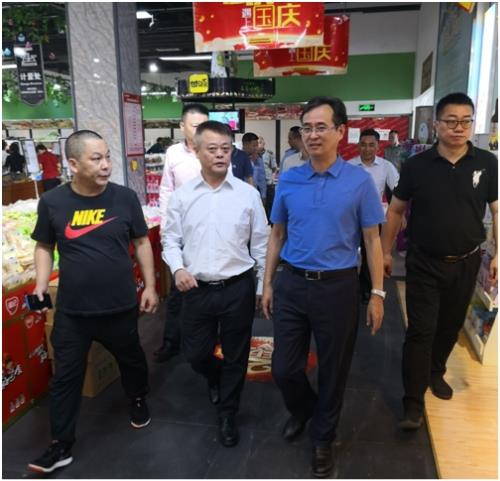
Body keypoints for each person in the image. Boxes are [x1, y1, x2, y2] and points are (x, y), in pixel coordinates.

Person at [262, 96, 385, 478]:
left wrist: (377, 293)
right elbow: (276, 234)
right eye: (307, 128)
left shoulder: (358, 182)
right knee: (284, 368)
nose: (312, 135)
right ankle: (304, 409)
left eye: (321, 127)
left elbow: (372, 240)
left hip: (338, 288)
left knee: (333, 369)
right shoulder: (289, 178)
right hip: (292, 284)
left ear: (340, 131)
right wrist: (267, 283)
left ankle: (322, 438)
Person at [28, 130, 159, 474]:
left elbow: (142, 242)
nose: (106, 165)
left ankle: (138, 398)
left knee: (131, 360)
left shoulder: (125, 198)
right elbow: (44, 246)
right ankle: (61, 444)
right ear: (73, 164)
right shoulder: (53, 202)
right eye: (96, 158)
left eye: (107, 157)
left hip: (119, 305)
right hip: (72, 310)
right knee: (65, 377)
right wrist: (41, 283)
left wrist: (150, 285)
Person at [381, 92, 498, 430]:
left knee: (450, 325)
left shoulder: (487, 162)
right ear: (436, 124)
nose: (459, 127)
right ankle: (412, 402)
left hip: (467, 261)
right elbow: (396, 210)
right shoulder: (417, 165)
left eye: (466, 121)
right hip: (424, 262)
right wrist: (385, 251)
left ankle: (436, 371)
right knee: (421, 330)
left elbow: (496, 210)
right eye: (451, 121)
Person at [163, 120, 268, 448]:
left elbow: (261, 244)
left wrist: (263, 286)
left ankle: (227, 413)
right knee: (195, 353)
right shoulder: (182, 196)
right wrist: (177, 268)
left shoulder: (248, 195)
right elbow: (170, 239)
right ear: (196, 151)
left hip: (238, 287)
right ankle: (215, 375)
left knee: (237, 355)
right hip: (196, 288)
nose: (220, 155)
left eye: (226, 148)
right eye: (212, 149)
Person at [156, 103, 209, 363]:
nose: (201, 130)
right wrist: (165, 225)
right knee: (179, 289)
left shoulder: (214, 150)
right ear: (182, 127)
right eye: (195, 125)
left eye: (204, 125)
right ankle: (171, 342)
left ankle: (209, 340)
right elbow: (166, 190)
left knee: (210, 285)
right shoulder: (173, 153)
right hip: (181, 232)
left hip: (210, 231)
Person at [348, 128, 400, 302]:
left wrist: (399, 214)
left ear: (378, 146)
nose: (367, 149)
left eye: (371, 145)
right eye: (363, 144)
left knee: (369, 253)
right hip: (349, 218)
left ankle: (366, 289)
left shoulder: (386, 166)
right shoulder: (349, 166)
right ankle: (349, 287)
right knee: (348, 253)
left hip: (372, 219)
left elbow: (398, 192)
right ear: (358, 146)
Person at [242, 132, 266, 201]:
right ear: (245, 144)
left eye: (257, 145)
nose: (256, 148)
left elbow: (262, 180)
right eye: (254, 145)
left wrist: (263, 196)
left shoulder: (258, 159)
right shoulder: (237, 158)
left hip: (254, 197)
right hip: (241, 197)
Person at [258, 136, 277, 217]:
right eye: (256, 143)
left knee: (270, 204)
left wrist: (272, 179)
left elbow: (274, 168)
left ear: (264, 144)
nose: (258, 145)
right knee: (259, 205)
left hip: (268, 183)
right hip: (258, 184)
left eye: (260, 143)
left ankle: (270, 221)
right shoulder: (253, 155)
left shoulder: (269, 154)